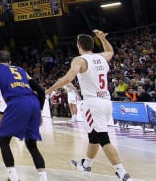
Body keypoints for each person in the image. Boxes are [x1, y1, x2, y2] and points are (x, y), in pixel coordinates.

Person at [47, 30, 131, 180]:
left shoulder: (79, 60)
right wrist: (102, 39)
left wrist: (49, 90)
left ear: (78, 45)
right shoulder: (101, 57)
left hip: (93, 103)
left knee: (103, 138)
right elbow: (110, 51)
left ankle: (121, 172)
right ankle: (86, 165)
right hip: (106, 102)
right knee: (93, 136)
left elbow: (68, 79)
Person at [0, 50, 47, 181]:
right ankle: (43, 178)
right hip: (33, 102)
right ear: (10, 62)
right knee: (32, 145)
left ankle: (13, 178)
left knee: (3, 141)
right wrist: (39, 111)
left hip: (17, 102)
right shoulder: (21, 70)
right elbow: (40, 90)